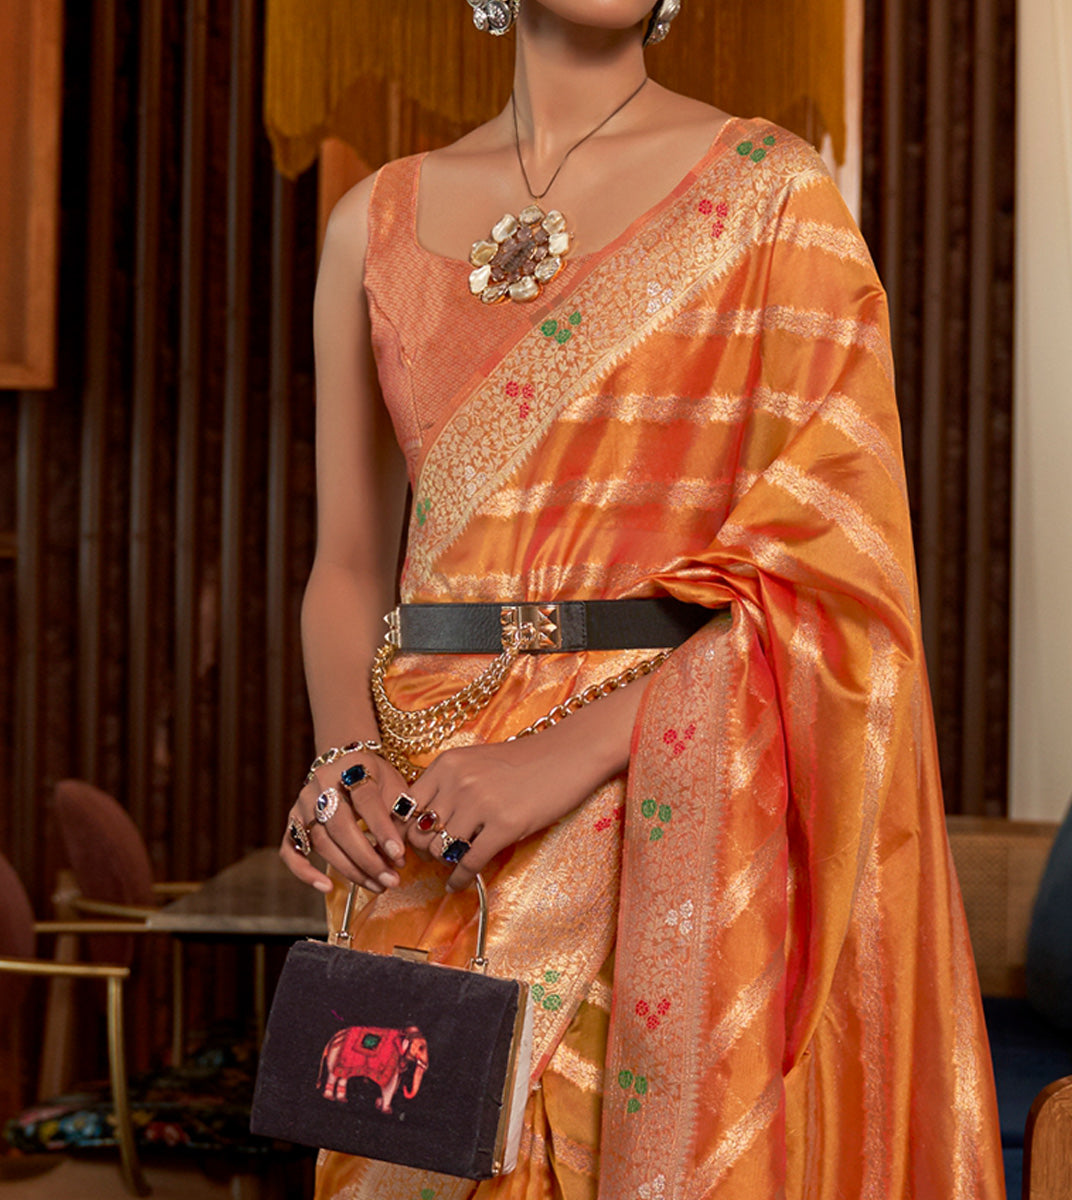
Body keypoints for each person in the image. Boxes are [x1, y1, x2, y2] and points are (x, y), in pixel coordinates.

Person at [279, 1, 1006, 1196]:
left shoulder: (775, 197)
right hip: (422, 818)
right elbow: (351, 564)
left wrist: (561, 758)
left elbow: (835, 574)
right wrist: (342, 758)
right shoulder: (376, 223)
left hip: (670, 807)